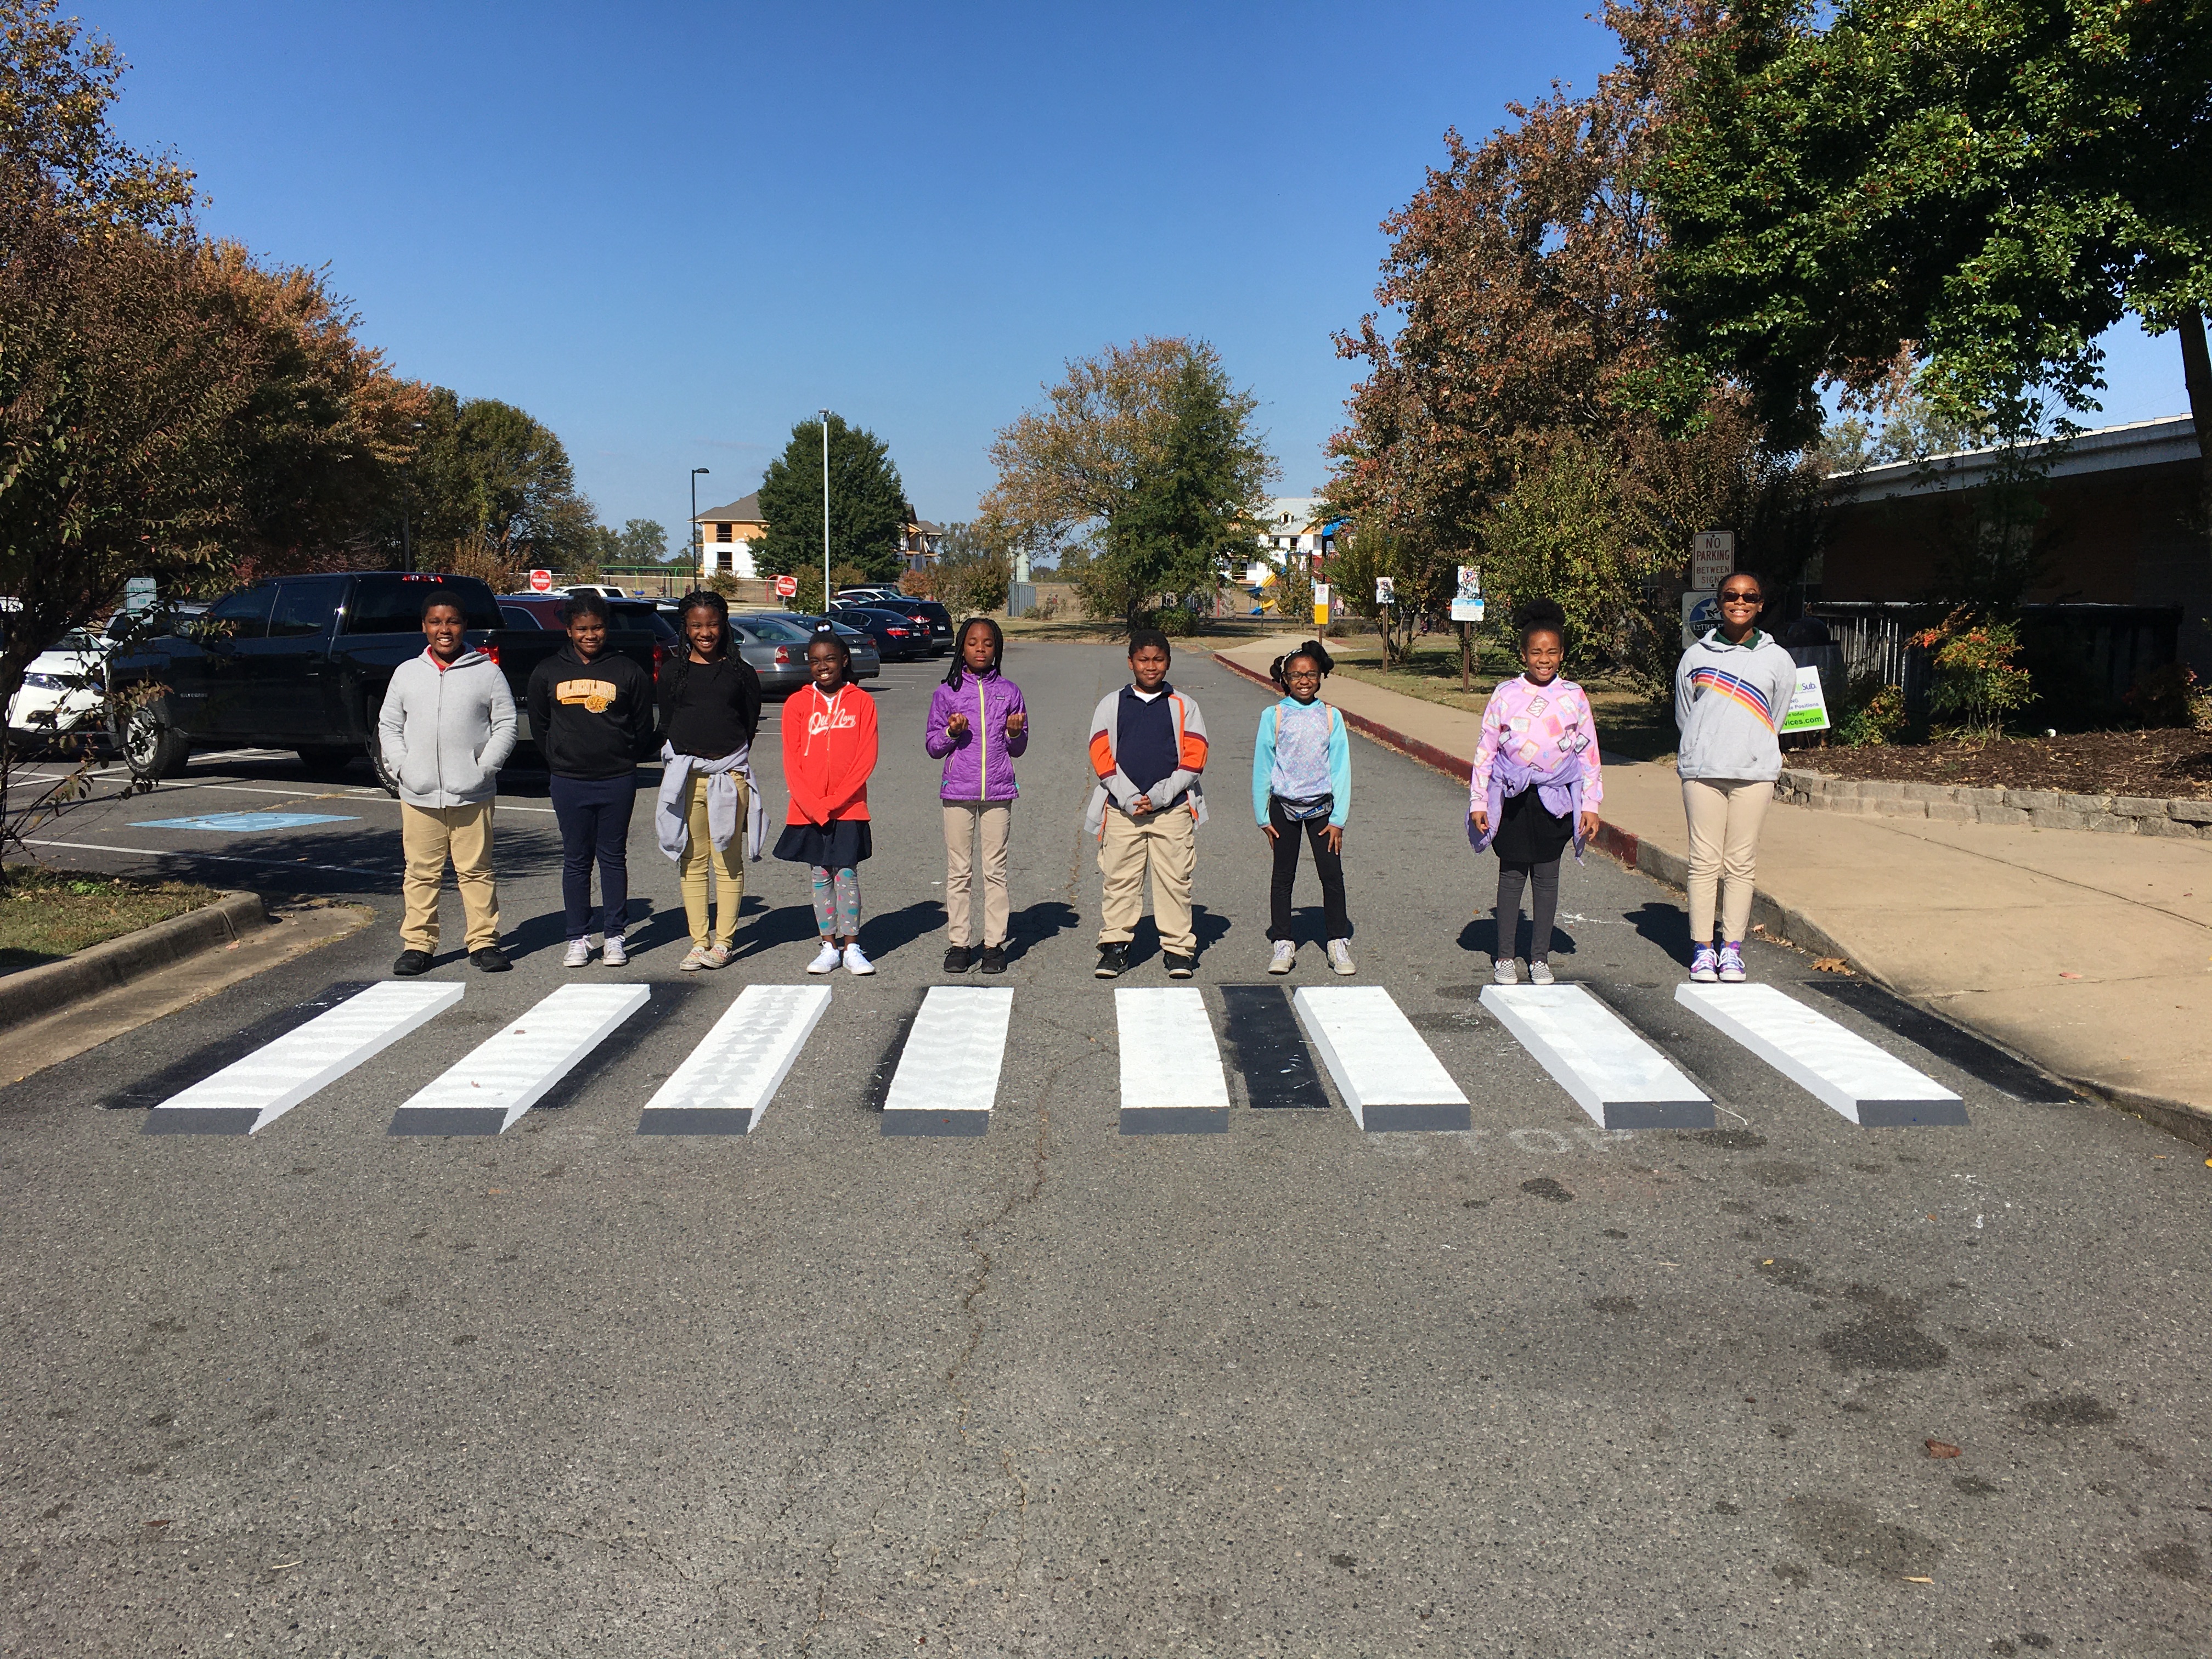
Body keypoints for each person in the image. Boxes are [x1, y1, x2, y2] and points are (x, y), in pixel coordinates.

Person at [380, 587, 517, 976]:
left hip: (471, 791)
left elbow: (506, 724)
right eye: (436, 622)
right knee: (420, 871)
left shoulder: (487, 672)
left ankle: (484, 941)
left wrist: (484, 767)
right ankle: (419, 944)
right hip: (419, 792)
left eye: (453, 621)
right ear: (424, 627)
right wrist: (402, 767)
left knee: (475, 870)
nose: (445, 630)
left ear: (464, 626)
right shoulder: (406, 673)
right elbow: (389, 725)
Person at [1469, 599, 1602, 987]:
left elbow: (1589, 753)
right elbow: (1486, 750)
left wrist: (1590, 805)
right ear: (1524, 654)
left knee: (1547, 877)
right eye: (1536, 652)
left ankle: (1539, 957)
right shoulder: (1505, 694)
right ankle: (1506, 956)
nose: (1544, 660)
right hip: (1512, 798)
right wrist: (1479, 801)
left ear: (1562, 654)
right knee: (1511, 875)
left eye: (1552, 652)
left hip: (1555, 800)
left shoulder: (1575, 696)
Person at [1674, 571, 1798, 983]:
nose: (1740, 602)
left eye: (1749, 596)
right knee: (1704, 861)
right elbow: (1685, 715)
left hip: (1754, 772)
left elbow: (1775, 716)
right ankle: (1703, 949)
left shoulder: (1777, 659)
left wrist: (1754, 748)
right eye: (1731, 595)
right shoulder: (1696, 656)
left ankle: (1732, 950)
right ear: (1720, 602)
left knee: (1741, 863)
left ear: (1761, 604)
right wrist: (1703, 748)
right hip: (1703, 773)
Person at [528, 593, 652, 968]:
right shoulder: (548, 671)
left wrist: (624, 754)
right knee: (577, 860)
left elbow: (642, 725)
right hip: (569, 779)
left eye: (596, 627)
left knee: (613, 858)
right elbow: (539, 725)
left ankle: (615, 935)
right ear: (569, 630)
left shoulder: (626, 670)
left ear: (606, 627)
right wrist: (560, 758)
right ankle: (577, 937)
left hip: (617, 778)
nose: (590, 635)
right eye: (582, 629)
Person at [1084, 628, 1209, 980]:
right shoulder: (1112, 704)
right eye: (1143, 660)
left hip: (1172, 810)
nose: (1150, 667)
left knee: (1174, 880)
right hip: (1123, 810)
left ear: (1168, 662)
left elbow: (1195, 757)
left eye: (1157, 660)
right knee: (1120, 880)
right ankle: (1115, 948)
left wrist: (1160, 795)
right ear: (1130, 663)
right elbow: (1101, 754)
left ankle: (1178, 949)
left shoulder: (1185, 706)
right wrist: (1128, 796)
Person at [654, 589, 766, 972]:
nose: (706, 632)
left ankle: (723, 943)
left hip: (728, 778)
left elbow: (748, 725)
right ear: (685, 628)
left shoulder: (741, 673)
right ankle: (699, 942)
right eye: (697, 625)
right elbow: (667, 723)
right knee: (692, 859)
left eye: (713, 624)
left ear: (725, 625)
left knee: (727, 860)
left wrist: (726, 764)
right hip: (687, 779)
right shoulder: (671, 671)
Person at [927, 617, 1028, 974]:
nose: (981, 649)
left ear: (997, 648)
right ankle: (959, 943)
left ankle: (993, 944)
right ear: (961, 647)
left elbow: (1020, 747)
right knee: (959, 871)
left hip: (998, 792)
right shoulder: (947, 693)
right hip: (958, 792)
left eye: (988, 643)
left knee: (995, 870)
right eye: (973, 642)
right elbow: (933, 746)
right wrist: (952, 733)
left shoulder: (1010, 691)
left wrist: (1015, 734)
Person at [775, 629, 879, 975]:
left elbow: (866, 758)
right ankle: (828, 946)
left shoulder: (862, 702)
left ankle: (852, 947)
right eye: (816, 661)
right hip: (808, 808)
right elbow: (792, 762)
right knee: (820, 875)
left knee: (846, 874)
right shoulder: (797, 704)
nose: (823, 667)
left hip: (849, 806)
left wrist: (835, 802)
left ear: (844, 661)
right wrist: (815, 806)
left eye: (830, 659)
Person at [1249, 639, 1354, 976]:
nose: (1304, 681)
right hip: (1284, 809)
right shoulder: (1274, 715)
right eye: (1296, 675)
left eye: (1311, 674)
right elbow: (1263, 765)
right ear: (1285, 679)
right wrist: (1262, 815)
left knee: (1331, 876)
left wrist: (1338, 819)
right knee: (1283, 876)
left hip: (1323, 810)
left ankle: (1337, 941)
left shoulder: (1331, 716)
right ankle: (1283, 941)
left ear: (1321, 676)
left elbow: (1341, 768)